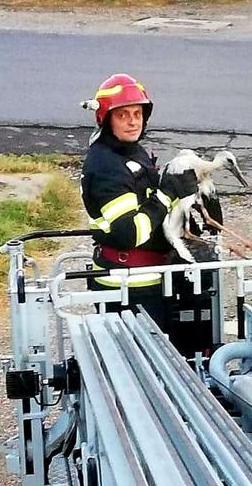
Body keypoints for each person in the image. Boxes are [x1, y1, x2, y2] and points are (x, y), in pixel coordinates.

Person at [79, 73, 198, 331]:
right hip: (128, 286)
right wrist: (167, 194)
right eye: (123, 115)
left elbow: (145, 200)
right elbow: (129, 233)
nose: (133, 122)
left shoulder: (130, 151)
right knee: (144, 364)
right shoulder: (107, 166)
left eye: (137, 114)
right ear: (106, 118)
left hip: (147, 278)